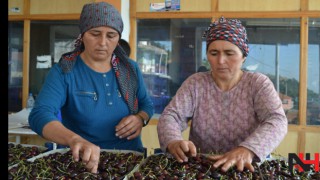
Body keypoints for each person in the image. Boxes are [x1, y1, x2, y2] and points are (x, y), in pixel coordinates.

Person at [29, 2, 153, 173]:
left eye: (111, 35)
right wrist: (73, 139)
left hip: (129, 159)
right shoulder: (65, 71)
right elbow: (40, 114)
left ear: (118, 39)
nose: (103, 42)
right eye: (95, 34)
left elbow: (147, 104)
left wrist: (141, 118)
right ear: (82, 35)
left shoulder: (130, 69)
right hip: (84, 162)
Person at [157, 16, 288, 173]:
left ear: (243, 56)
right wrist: (173, 140)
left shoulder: (258, 84)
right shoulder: (196, 83)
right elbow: (171, 116)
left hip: (245, 167)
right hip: (203, 168)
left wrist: (248, 149)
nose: (220, 60)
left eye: (229, 53)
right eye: (214, 53)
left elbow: (277, 120)